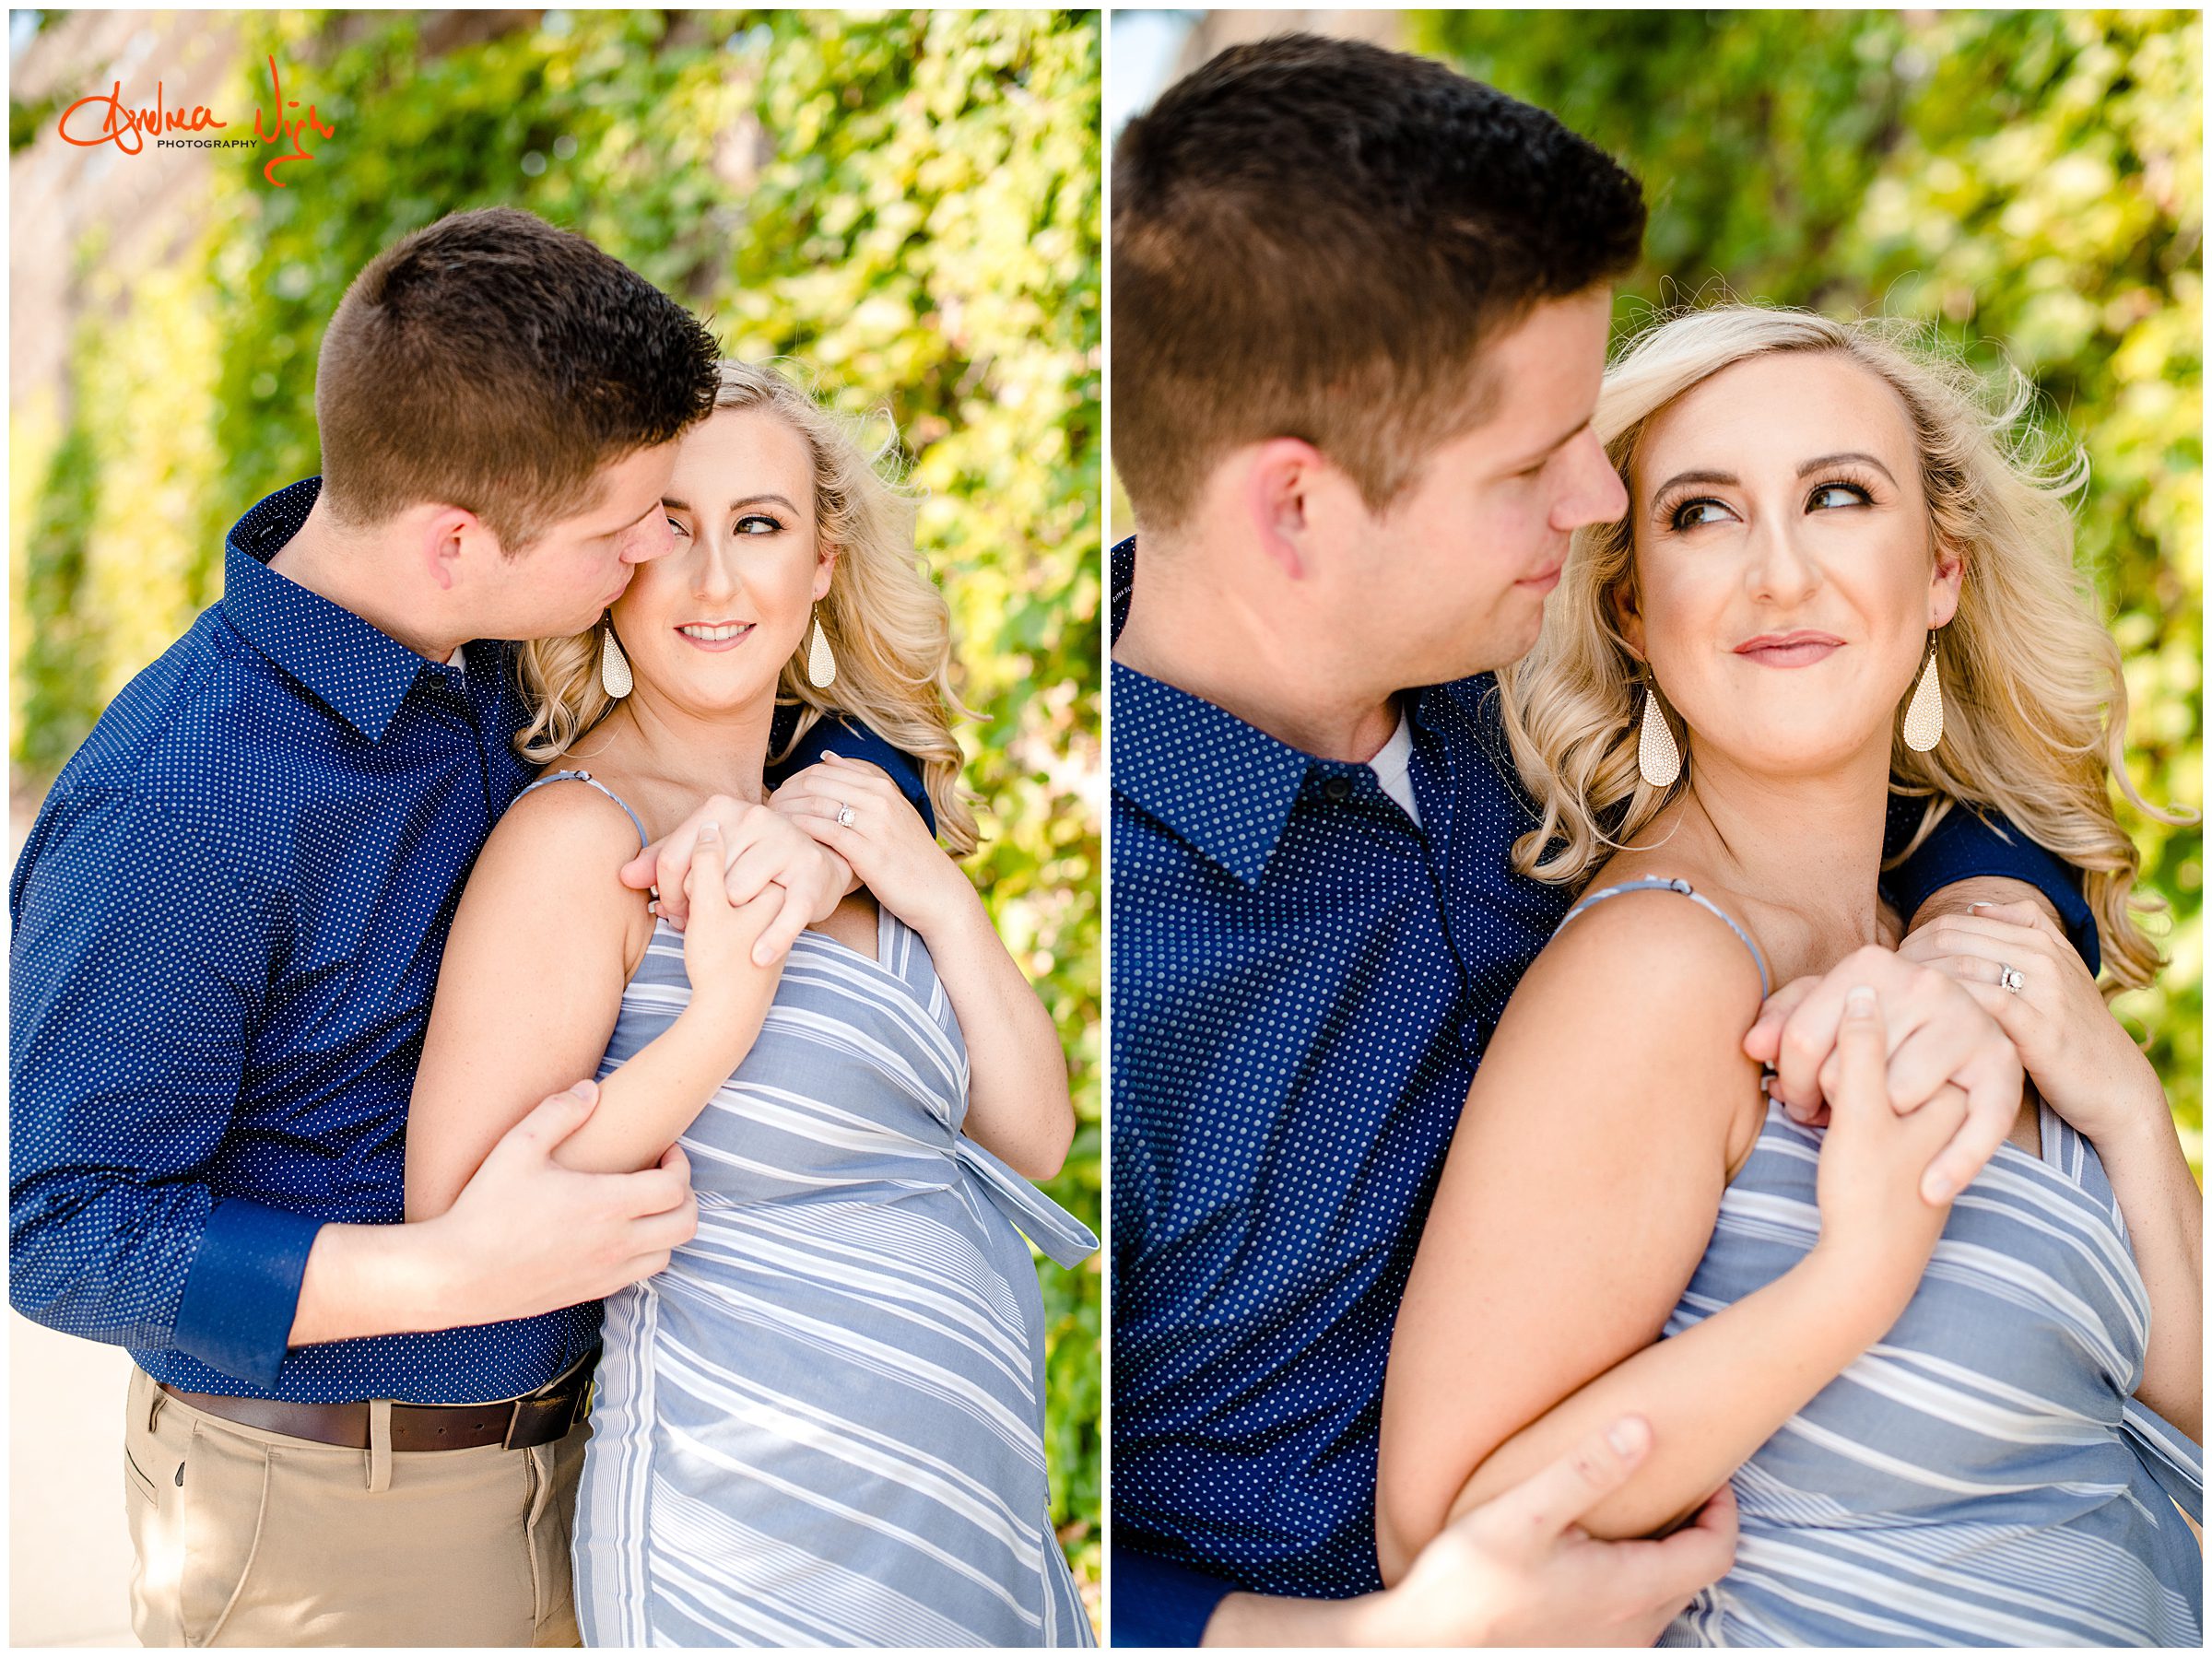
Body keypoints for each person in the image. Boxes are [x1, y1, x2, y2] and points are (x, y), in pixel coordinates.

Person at [1108, 36, 2101, 1646]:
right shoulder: (1096, 929)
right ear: (1294, 510)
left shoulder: (1520, 675)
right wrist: (1342, 1644)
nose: (1595, 497)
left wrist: (1980, 936)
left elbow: (1857, 748)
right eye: (1530, 465)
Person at [8, 209, 905, 1645]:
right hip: (334, 1512)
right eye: (627, 533)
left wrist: (818, 838)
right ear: (457, 540)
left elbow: (793, 707)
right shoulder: (176, 804)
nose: (645, 571)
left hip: (598, 1464)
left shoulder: (490, 645)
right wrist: (453, 1270)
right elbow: (62, 1230)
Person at [1377, 307, 2202, 1645]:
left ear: (1940, 568)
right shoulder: (1661, 969)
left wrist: (2121, 1103)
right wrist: (1851, 1283)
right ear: (1635, 605)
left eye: (1837, 495)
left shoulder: (1953, 947)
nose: (1778, 574)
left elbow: (2173, 1424)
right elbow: (1447, 1534)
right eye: (1703, 514)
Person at [405, 360, 1098, 1647]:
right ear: (616, 563)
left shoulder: (845, 806)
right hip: (753, 1540)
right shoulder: (576, 839)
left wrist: (936, 895)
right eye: (671, 530)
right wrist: (719, 1018)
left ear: (823, 561)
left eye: (759, 526)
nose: (715, 581)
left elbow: (1035, 1138)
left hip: (966, 1525)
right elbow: (465, 1207)